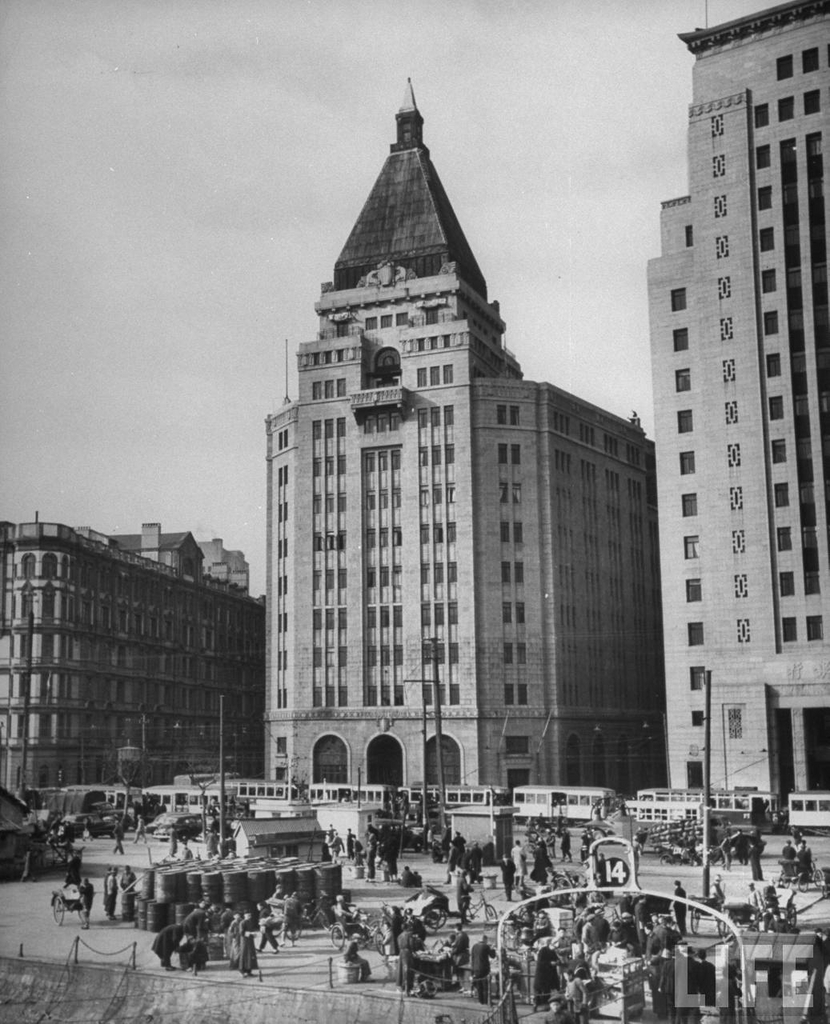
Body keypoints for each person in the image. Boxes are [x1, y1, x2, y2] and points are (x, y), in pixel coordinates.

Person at [397, 923, 424, 996]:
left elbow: (399, 945)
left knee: (402, 970)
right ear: (407, 928)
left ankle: (402, 986)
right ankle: (408, 988)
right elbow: (411, 944)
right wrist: (414, 951)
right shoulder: (409, 935)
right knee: (408, 971)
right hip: (407, 953)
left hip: (401, 952)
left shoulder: (399, 936)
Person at [534, 935, 561, 1009]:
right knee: (539, 992)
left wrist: (558, 962)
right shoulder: (543, 950)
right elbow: (540, 963)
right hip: (542, 975)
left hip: (549, 976)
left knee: (547, 992)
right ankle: (537, 1005)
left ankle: (546, 1005)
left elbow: (557, 959)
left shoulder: (553, 952)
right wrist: (550, 963)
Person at [470, 933, 496, 1005]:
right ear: (485, 939)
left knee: (479, 985)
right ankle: (486, 1001)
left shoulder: (474, 946)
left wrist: (472, 970)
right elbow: (493, 956)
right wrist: (492, 948)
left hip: (476, 968)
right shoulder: (486, 946)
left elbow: (472, 958)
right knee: (485, 986)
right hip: (484, 968)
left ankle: (480, 1000)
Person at [239, 911, 259, 977]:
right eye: (248, 915)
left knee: (250, 955)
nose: (249, 917)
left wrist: (253, 934)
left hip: (250, 940)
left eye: (250, 915)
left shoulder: (250, 922)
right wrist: (250, 933)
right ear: (244, 916)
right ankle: (242, 970)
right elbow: (241, 932)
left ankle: (249, 970)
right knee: (244, 954)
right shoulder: (242, 922)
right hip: (245, 941)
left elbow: (251, 930)